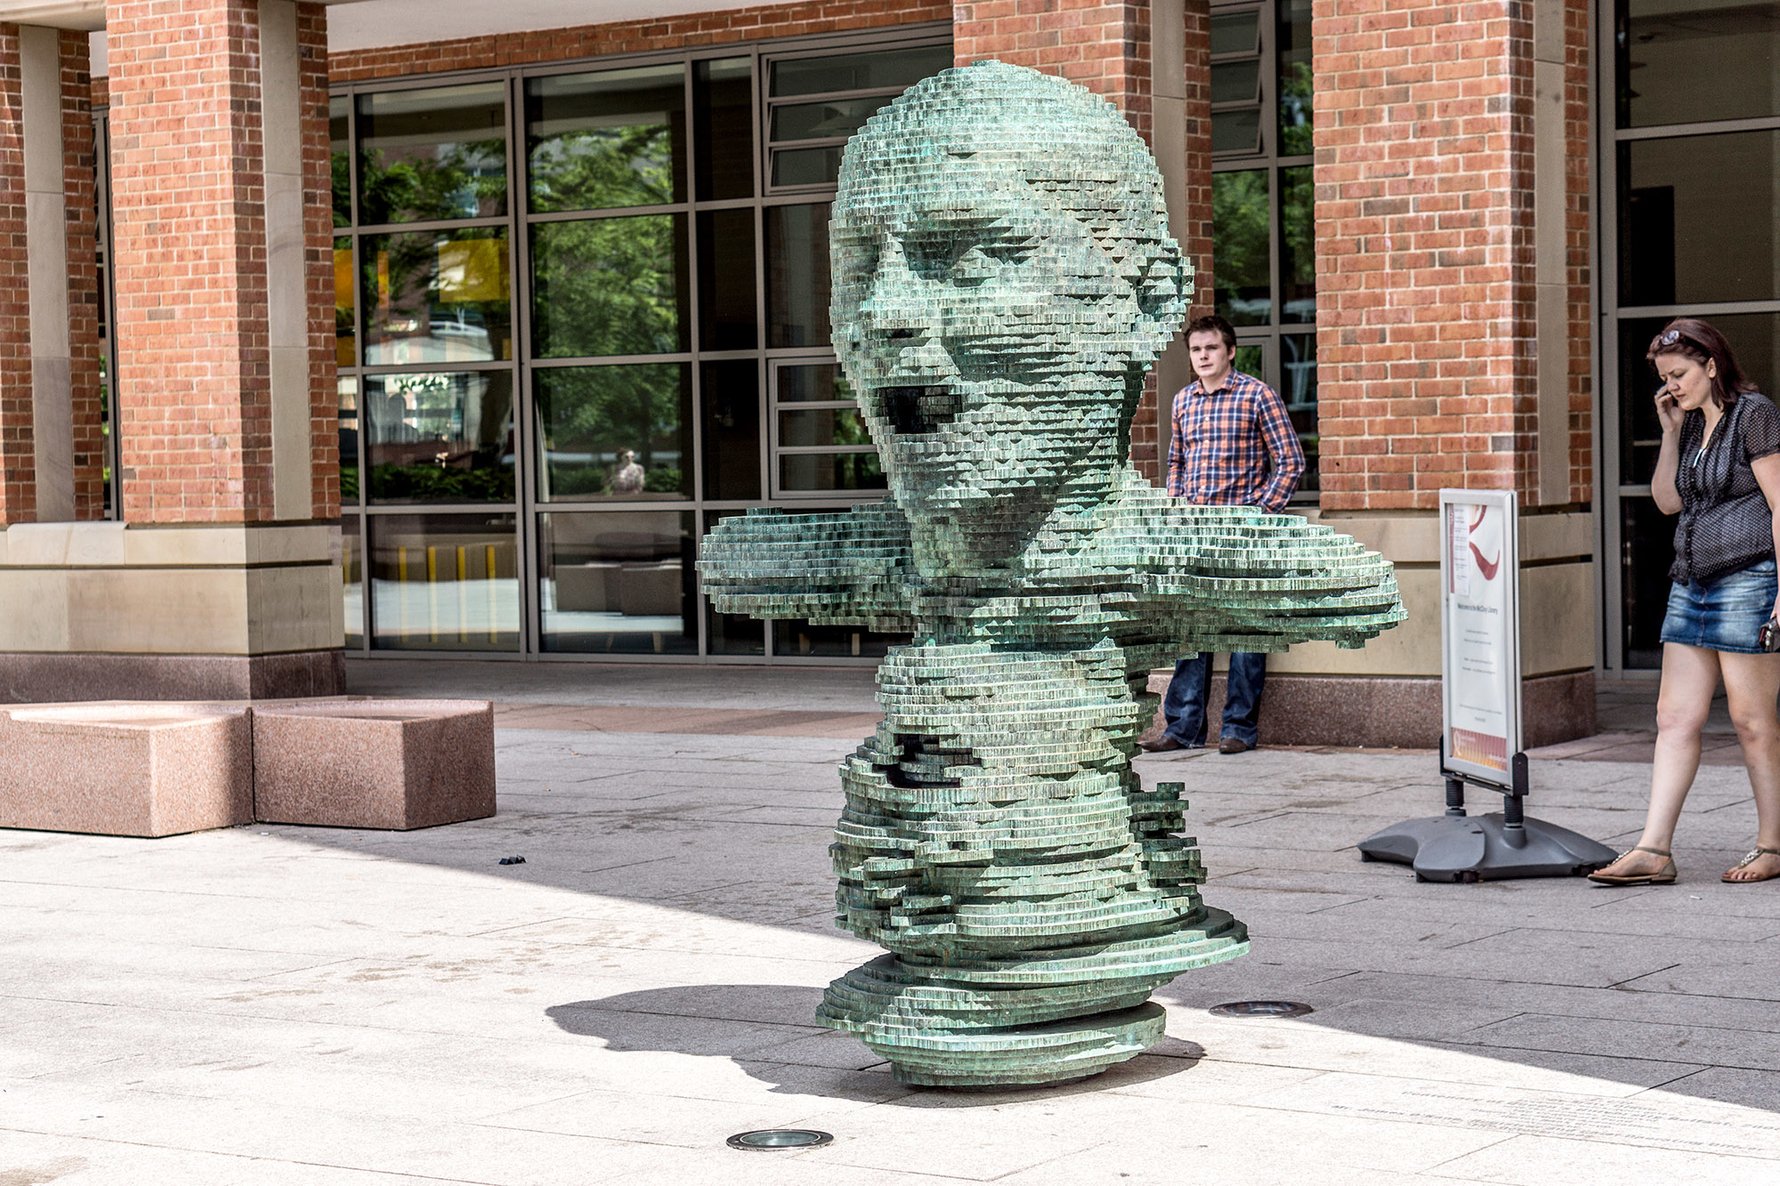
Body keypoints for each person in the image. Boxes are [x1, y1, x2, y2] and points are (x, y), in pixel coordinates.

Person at [1589, 318, 1780, 886]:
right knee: (1674, 717)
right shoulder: (1692, 424)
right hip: (1690, 582)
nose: (1672, 386)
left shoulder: (1755, 414)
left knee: (1751, 720)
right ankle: (1654, 849)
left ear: (1711, 365)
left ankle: (1771, 844)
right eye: (1665, 378)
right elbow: (1668, 502)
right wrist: (1670, 432)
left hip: (1748, 579)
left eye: (1679, 375)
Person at [1141, 314, 1305, 755]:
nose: (1203, 357)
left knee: (1245, 634)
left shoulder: (1257, 396)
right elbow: (1176, 463)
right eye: (1196, 350)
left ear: (1229, 351)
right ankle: (1183, 727)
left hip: (1243, 534)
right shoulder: (1183, 402)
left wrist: (1259, 514)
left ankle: (1238, 729)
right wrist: (1178, 509)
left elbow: (1290, 461)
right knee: (1192, 633)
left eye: (1211, 348)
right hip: (1195, 534)